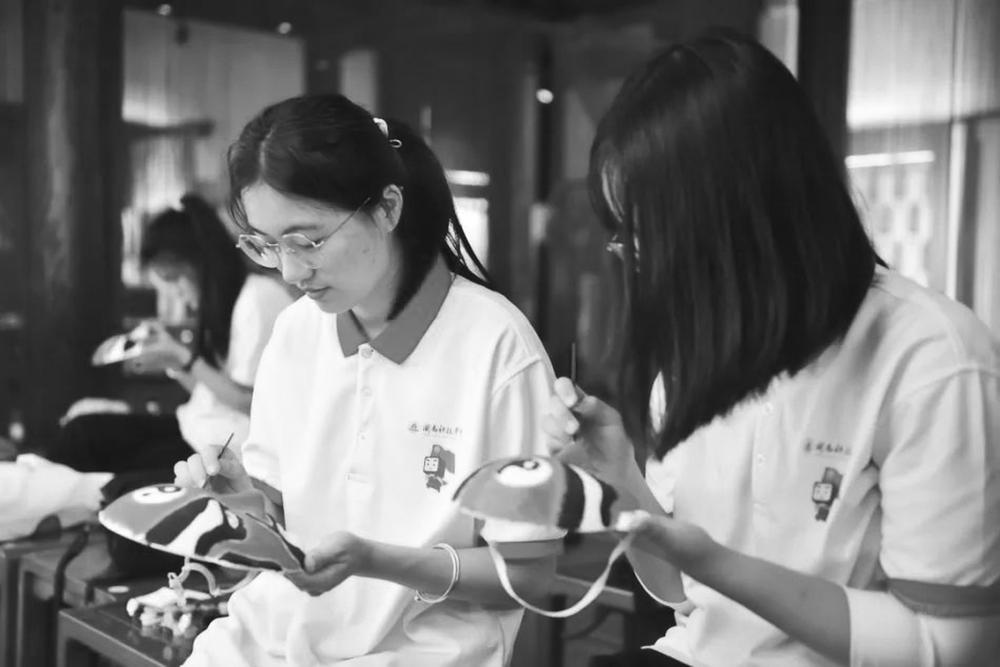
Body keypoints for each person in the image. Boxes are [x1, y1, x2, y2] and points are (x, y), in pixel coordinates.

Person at [544, 31, 1000, 667]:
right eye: (627, 234)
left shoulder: (931, 359)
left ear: (742, 209)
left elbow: (950, 647)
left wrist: (718, 563)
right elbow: (679, 591)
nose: (638, 260)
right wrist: (620, 475)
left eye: (651, 232)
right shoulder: (697, 354)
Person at [172, 94, 561, 667]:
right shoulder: (295, 332)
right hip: (271, 637)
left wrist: (380, 562)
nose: (291, 271)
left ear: (387, 208)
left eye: (308, 240)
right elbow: (283, 527)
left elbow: (529, 575)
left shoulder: (496, 347)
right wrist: (242, 501)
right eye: (267, 245)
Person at [46, 194, 293, 479]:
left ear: (200, 264)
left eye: (173, 280)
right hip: (195, 428)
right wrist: (173, 361)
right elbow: (210, 393)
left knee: (102, 460)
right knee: (82, 431)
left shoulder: (257, 299)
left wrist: (183, 357)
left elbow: (247, 402)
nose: (177, 295)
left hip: (223, 448)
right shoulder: (225, 303)